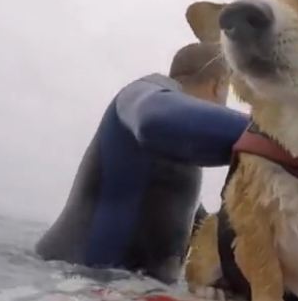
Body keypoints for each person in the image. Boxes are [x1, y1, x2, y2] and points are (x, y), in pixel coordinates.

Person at [34, 42, 249, 284]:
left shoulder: (180, 168)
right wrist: (274, 134)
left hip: (118, 286)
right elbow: (155, 121)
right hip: (69, 281)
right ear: (220, 85)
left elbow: (205, 234)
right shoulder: (144, 93)